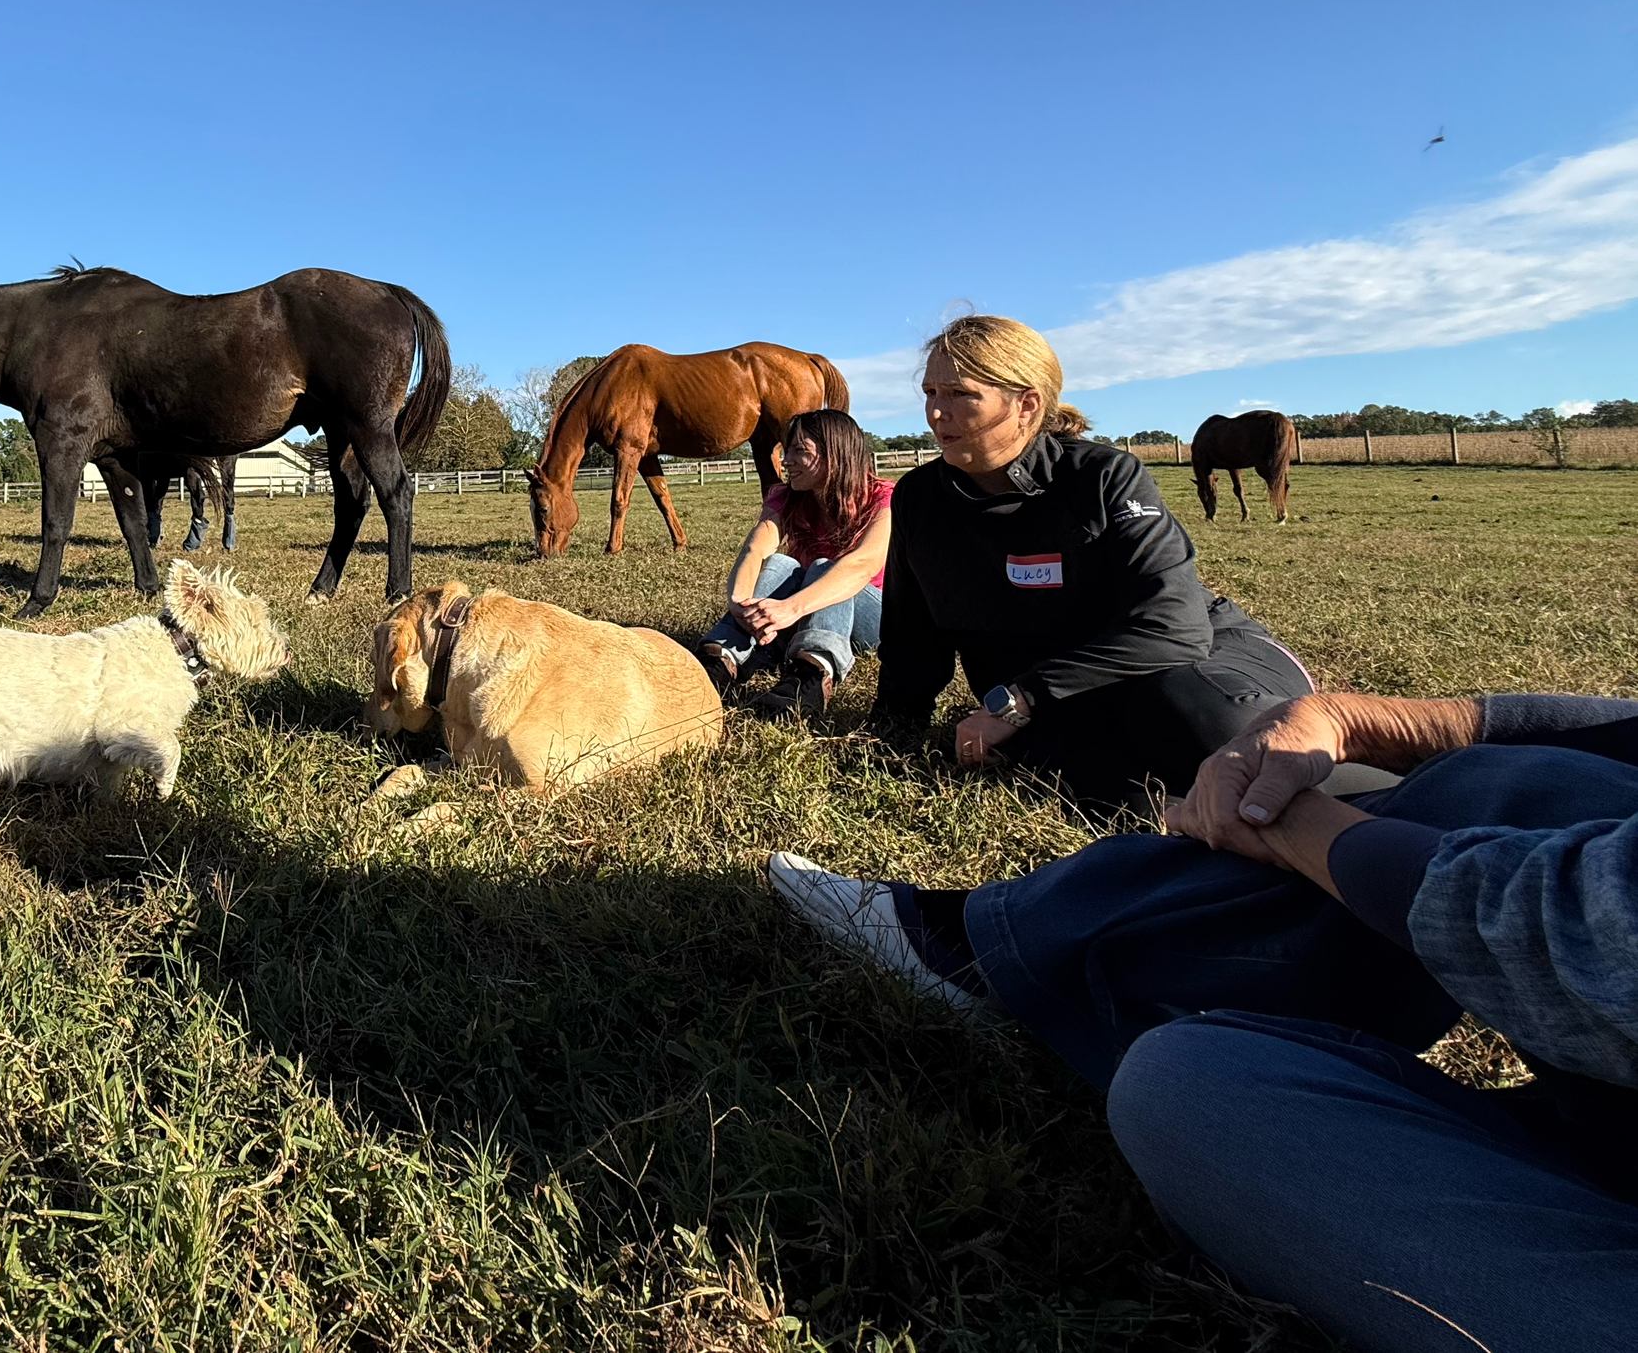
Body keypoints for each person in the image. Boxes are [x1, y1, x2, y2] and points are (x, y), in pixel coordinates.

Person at [764, 686, 1638, 1352]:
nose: (936, 429)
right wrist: (1343, 715)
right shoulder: (932, 506)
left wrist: (1295, 824)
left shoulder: (1099, 482)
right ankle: (1009, 948)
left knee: (1188, 1089)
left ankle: (990, 949)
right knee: (1523, 780)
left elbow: (1563, 918)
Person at [875, 314, 1311, 808]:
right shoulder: (919, 497)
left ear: (1026, 405)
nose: (935, 413)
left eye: (960, 395)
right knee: (1067, 767)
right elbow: (912, 636)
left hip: (1201, 663)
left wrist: (1018, 701)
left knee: (1203, 727)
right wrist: (891, 733)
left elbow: (1173, 628)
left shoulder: (1102, 476)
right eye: (931, 393)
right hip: (1070, 697)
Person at [695, 408, 891, 717]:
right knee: (781, 564)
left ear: (835, 454)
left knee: (828, 566)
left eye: (800, 451)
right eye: (787, 450)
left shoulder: (883, 497)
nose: (786, 461)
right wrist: (738, 603)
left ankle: (811, 676)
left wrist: (791, 608)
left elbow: (863, 564)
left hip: (873, 621)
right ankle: (721, 660)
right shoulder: (786, 497)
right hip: (804, 612)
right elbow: (756, 549)